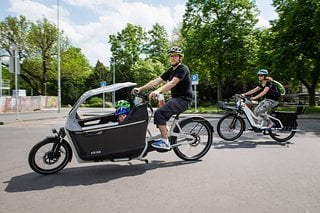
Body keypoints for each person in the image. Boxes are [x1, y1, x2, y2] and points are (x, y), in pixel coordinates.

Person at [132, 46, 192, 150]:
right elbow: (156, 81)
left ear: (180, 58)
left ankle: (165, 142)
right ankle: (166, 133)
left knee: (159, 113)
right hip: (176, 99)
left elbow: (173, 82)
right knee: (160, 113)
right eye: (171, 56)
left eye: (175, 56)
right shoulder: (171, 70)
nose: (172, 58)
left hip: (183, 100)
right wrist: (141, 89)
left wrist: (158, 91)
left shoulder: (183, 69)